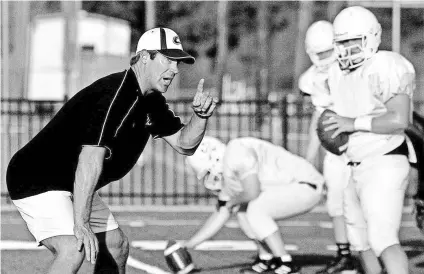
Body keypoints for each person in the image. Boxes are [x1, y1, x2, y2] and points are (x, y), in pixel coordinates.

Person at [6, 27, 219, 274]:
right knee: (74, 248)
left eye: (178, 62)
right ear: (144, 57)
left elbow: (185, 144)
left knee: (116, 246)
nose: (174, 69)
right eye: (169, 60)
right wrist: (81, 222)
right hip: (37, 177)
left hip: (70, 181)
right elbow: (90, 158)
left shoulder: (150, 101)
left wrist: (201, 116)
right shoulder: (116, 94)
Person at [324, 6, 416, 274]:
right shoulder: (336, 73)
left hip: (384, 160)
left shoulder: (385, 65)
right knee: (360, 241)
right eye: (342, 43)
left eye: (353, 41)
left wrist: (352, 124)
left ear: (372, 38)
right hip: (354, 162)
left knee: (382, 238)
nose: (347, 49)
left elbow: (400, 119)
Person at [184, 136, 324, 274]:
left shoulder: (235, 155)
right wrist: (189, 245)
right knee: (242, 210)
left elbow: (252, 192)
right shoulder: (229, 165)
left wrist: (232, 201)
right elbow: (222, 211)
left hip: (306, 184)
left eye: (207, 174)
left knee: (255, 208)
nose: (210, 180)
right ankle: (267, 257)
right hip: (296, 186)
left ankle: (285, 262)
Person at [299, 21, 360, 274]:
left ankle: (370, 255)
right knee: (336, 203)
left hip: (359, 145)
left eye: (327, 52)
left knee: (363, 203)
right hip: (335, 151)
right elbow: (319, 119)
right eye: (319, 53)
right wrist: (308, 158)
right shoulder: (313, 79)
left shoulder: (353, 70)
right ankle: (344, 254)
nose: (324, 59)